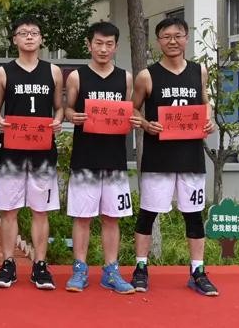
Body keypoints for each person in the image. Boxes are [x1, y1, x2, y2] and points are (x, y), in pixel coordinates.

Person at [131, 17, 218, 296]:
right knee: (148, 213)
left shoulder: (199, 70)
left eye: (178, 35)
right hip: (159, 158)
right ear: (158, 41)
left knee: (194, 216)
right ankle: (141, 268)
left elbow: (205, 103)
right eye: (166, 36)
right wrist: (147, 125)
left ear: (186, 38)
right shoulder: (147, 76)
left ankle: (197, 271)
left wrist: (209, 120)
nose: (172, 41)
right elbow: (132, 109)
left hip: (191, 156)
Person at [63, 22, 139, 294]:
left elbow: (129, 111)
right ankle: (79, 269)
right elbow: (68, 109)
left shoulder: (125, 78)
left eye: (109, 44)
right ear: (89, 45)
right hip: (85, 158)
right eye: (98, 43)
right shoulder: (77, 77)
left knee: (112, 217)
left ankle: (111, 271)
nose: (103, 49)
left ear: (116, 46)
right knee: (82, 217)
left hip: (115, 159)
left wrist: (134, 120)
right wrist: (73, 116)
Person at [0, 15, 63, 290]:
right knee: (8, 209)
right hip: (12, 149)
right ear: (15, 39)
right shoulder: (4, 72)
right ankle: (8, 263)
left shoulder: (53, 71)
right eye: (23, 32)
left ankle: (39, 265)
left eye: (34, 32)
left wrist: (58, 120)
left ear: (41, 39)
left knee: (40, 210)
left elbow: (59, 107)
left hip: (43, 149)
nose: (29, 36)